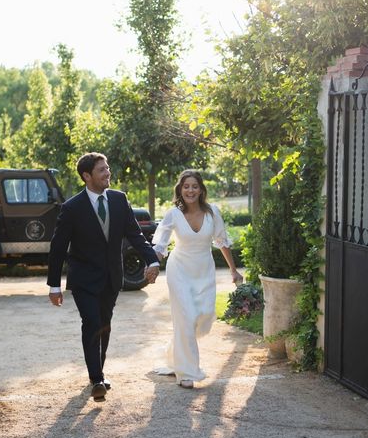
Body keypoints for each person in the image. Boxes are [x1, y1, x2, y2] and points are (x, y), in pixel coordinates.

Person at [47, 152, 160, 402]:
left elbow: (135, 234)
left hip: (111, 277)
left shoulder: (119, 200)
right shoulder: (72, 208)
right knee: (92, 322)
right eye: (101, 170)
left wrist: (152, 259)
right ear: (87, 176)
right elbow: (57, 248)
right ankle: (97, 379)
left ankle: (98, 372)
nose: (108, 172)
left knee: (105, 325)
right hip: (84, 280)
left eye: (107, 168)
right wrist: (54, 286)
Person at [151, 169, 242, 388]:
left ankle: (175, 353)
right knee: (187, 316)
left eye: (194, 186)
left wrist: (233, 270)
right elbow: (160, 246)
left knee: (204, 315)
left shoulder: (213, 213)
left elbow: (222, 241)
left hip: (203, 271)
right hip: (179, 270)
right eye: (186, 186)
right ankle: (187, 373)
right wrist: (153, 264)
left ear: (201, 189)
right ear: (180, 190)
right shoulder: (173, 213)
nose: (190, 190)